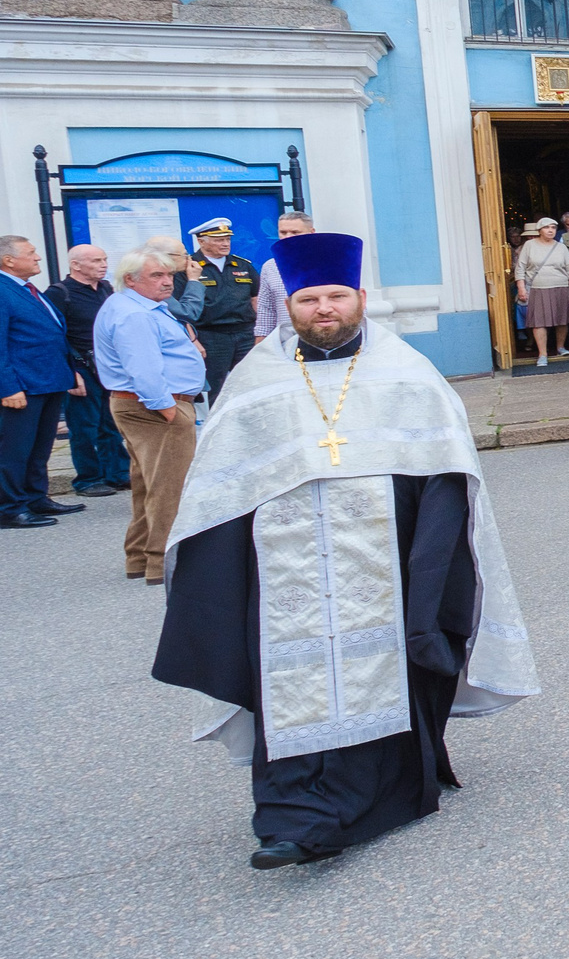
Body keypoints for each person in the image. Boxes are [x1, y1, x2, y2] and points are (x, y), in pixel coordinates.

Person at [147, 233, 540, 869]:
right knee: (289, 673)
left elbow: (445, 478)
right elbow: (219, 491)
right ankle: (293, 815)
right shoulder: (255, 383)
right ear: (289, 306)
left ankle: (385, 790)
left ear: (359, 298)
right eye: (309, 299)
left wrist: (433, 564)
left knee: (391, 662)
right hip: (283, 572)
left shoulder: (407, 374)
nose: (323, 309)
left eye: (335, 296)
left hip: (387, 559)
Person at [93, 247, 208, 581]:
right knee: (169, 487)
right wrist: (168, 410)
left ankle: (140, 557)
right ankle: (163, 562)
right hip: (155, 406)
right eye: (157, 275)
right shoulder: (135, 314)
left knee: (149, 484)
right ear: (130, 279)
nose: (167, 281)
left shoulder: (135, 305)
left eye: (170, 274)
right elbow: (143, 368)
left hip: (147, 404)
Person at [1, 233, 84, 529]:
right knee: (14, 450)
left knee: (40, 447)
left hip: (49, 380)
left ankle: (36, 497)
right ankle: (10, 508)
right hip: (22, 386)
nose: (38, 257)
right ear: (8, 260)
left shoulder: (26, 288)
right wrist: (8, 387)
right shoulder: (3, 290)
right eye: (31, 253)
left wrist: (70, 371)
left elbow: (53, 333)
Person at [46, 242, 130, 498]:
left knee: (110, 423)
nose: (103, 265)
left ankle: (117, 473)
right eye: (96, 261)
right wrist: (71, 373)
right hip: (80, 367)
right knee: (84, 427)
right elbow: (54, 337)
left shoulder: (105, 289)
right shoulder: (60, 293)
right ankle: (88, 479)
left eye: (104, 260)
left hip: (107, 366)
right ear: (76, 265)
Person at [186, 216, 261, 402]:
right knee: (215, 389)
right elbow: (181, 309)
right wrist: (192, 340)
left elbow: (256, 299)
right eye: (219, 240)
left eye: (227, 239)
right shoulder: (190, 267)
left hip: (244, 333)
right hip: (211, 336)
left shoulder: (242, 265)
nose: (225, 244)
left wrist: (259, 332)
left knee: (251, 383)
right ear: (201, 241)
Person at [512, 217, 569, 367]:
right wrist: (521, 287)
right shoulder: (529, 245)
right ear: (539, 230)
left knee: (562, 319)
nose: (550, 230)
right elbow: (520, 268)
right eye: (546, 227)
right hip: (538, 288)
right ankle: (542, 354)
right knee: (539, 322)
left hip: (560, 287)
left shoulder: (561, 247)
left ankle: (560, 347)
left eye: (553, 228)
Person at [252, 211, 317, 338]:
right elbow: (266, 312)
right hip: (285, 342)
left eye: (295, 232)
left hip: (323, 339)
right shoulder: (270, 267)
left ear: (311, 233)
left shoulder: (330, 262)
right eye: (283, 232)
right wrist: (261, 345)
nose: (287, 237)